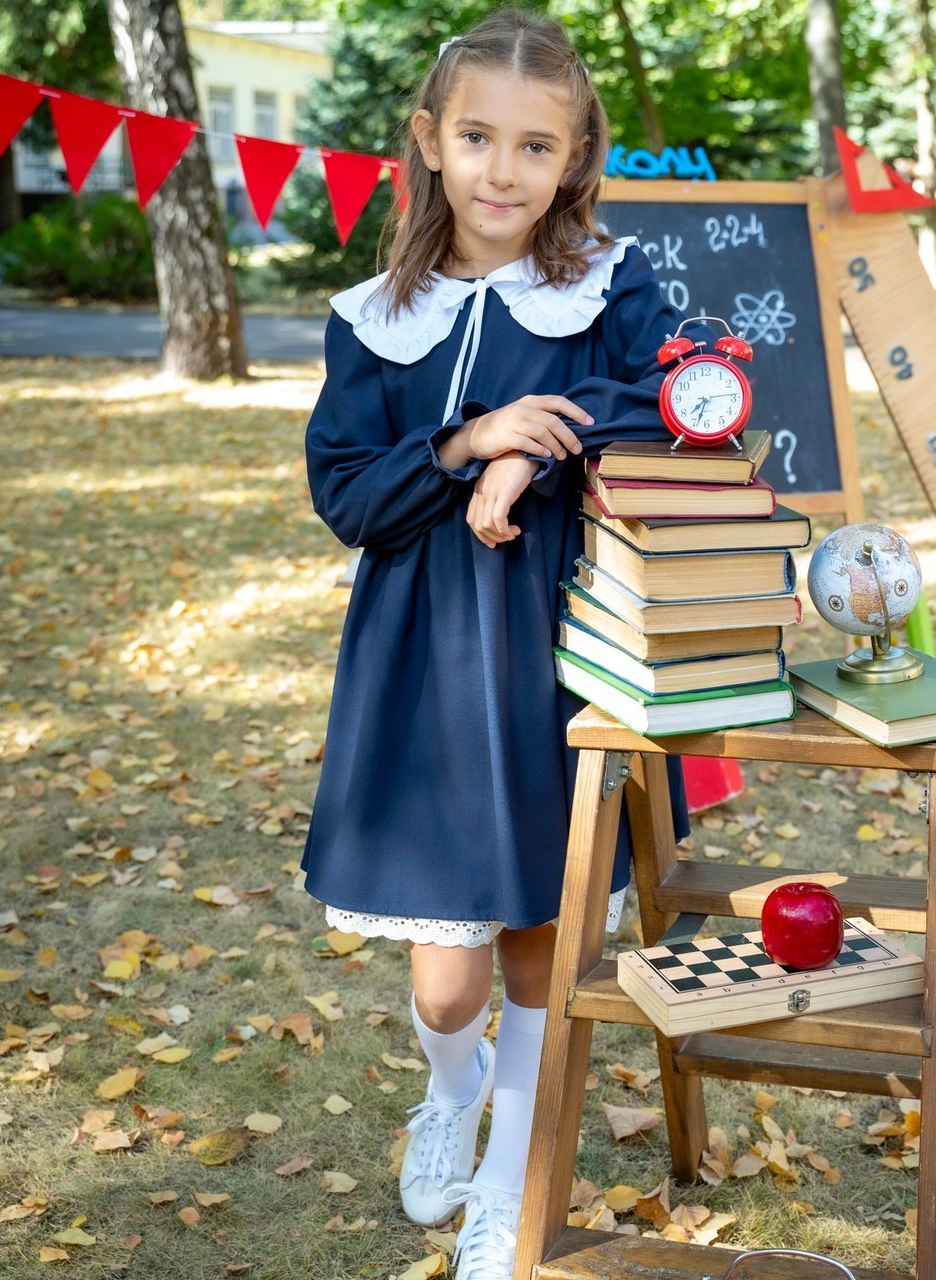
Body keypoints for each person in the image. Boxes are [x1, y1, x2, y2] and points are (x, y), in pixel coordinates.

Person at [300, 11, 692, 1278]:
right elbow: (350, 493)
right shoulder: (370, 319)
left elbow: (681, 394)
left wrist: (538, 443)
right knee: (445, 983)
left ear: (574, 158)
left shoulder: (609, 282)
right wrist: (468, 440)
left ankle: (510, 1177)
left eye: (535, 145)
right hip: (418, 660)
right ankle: (450, 1089)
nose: (502, 171)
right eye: (476, 138)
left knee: (542, 940)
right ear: (428, 141)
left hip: (559, 643)